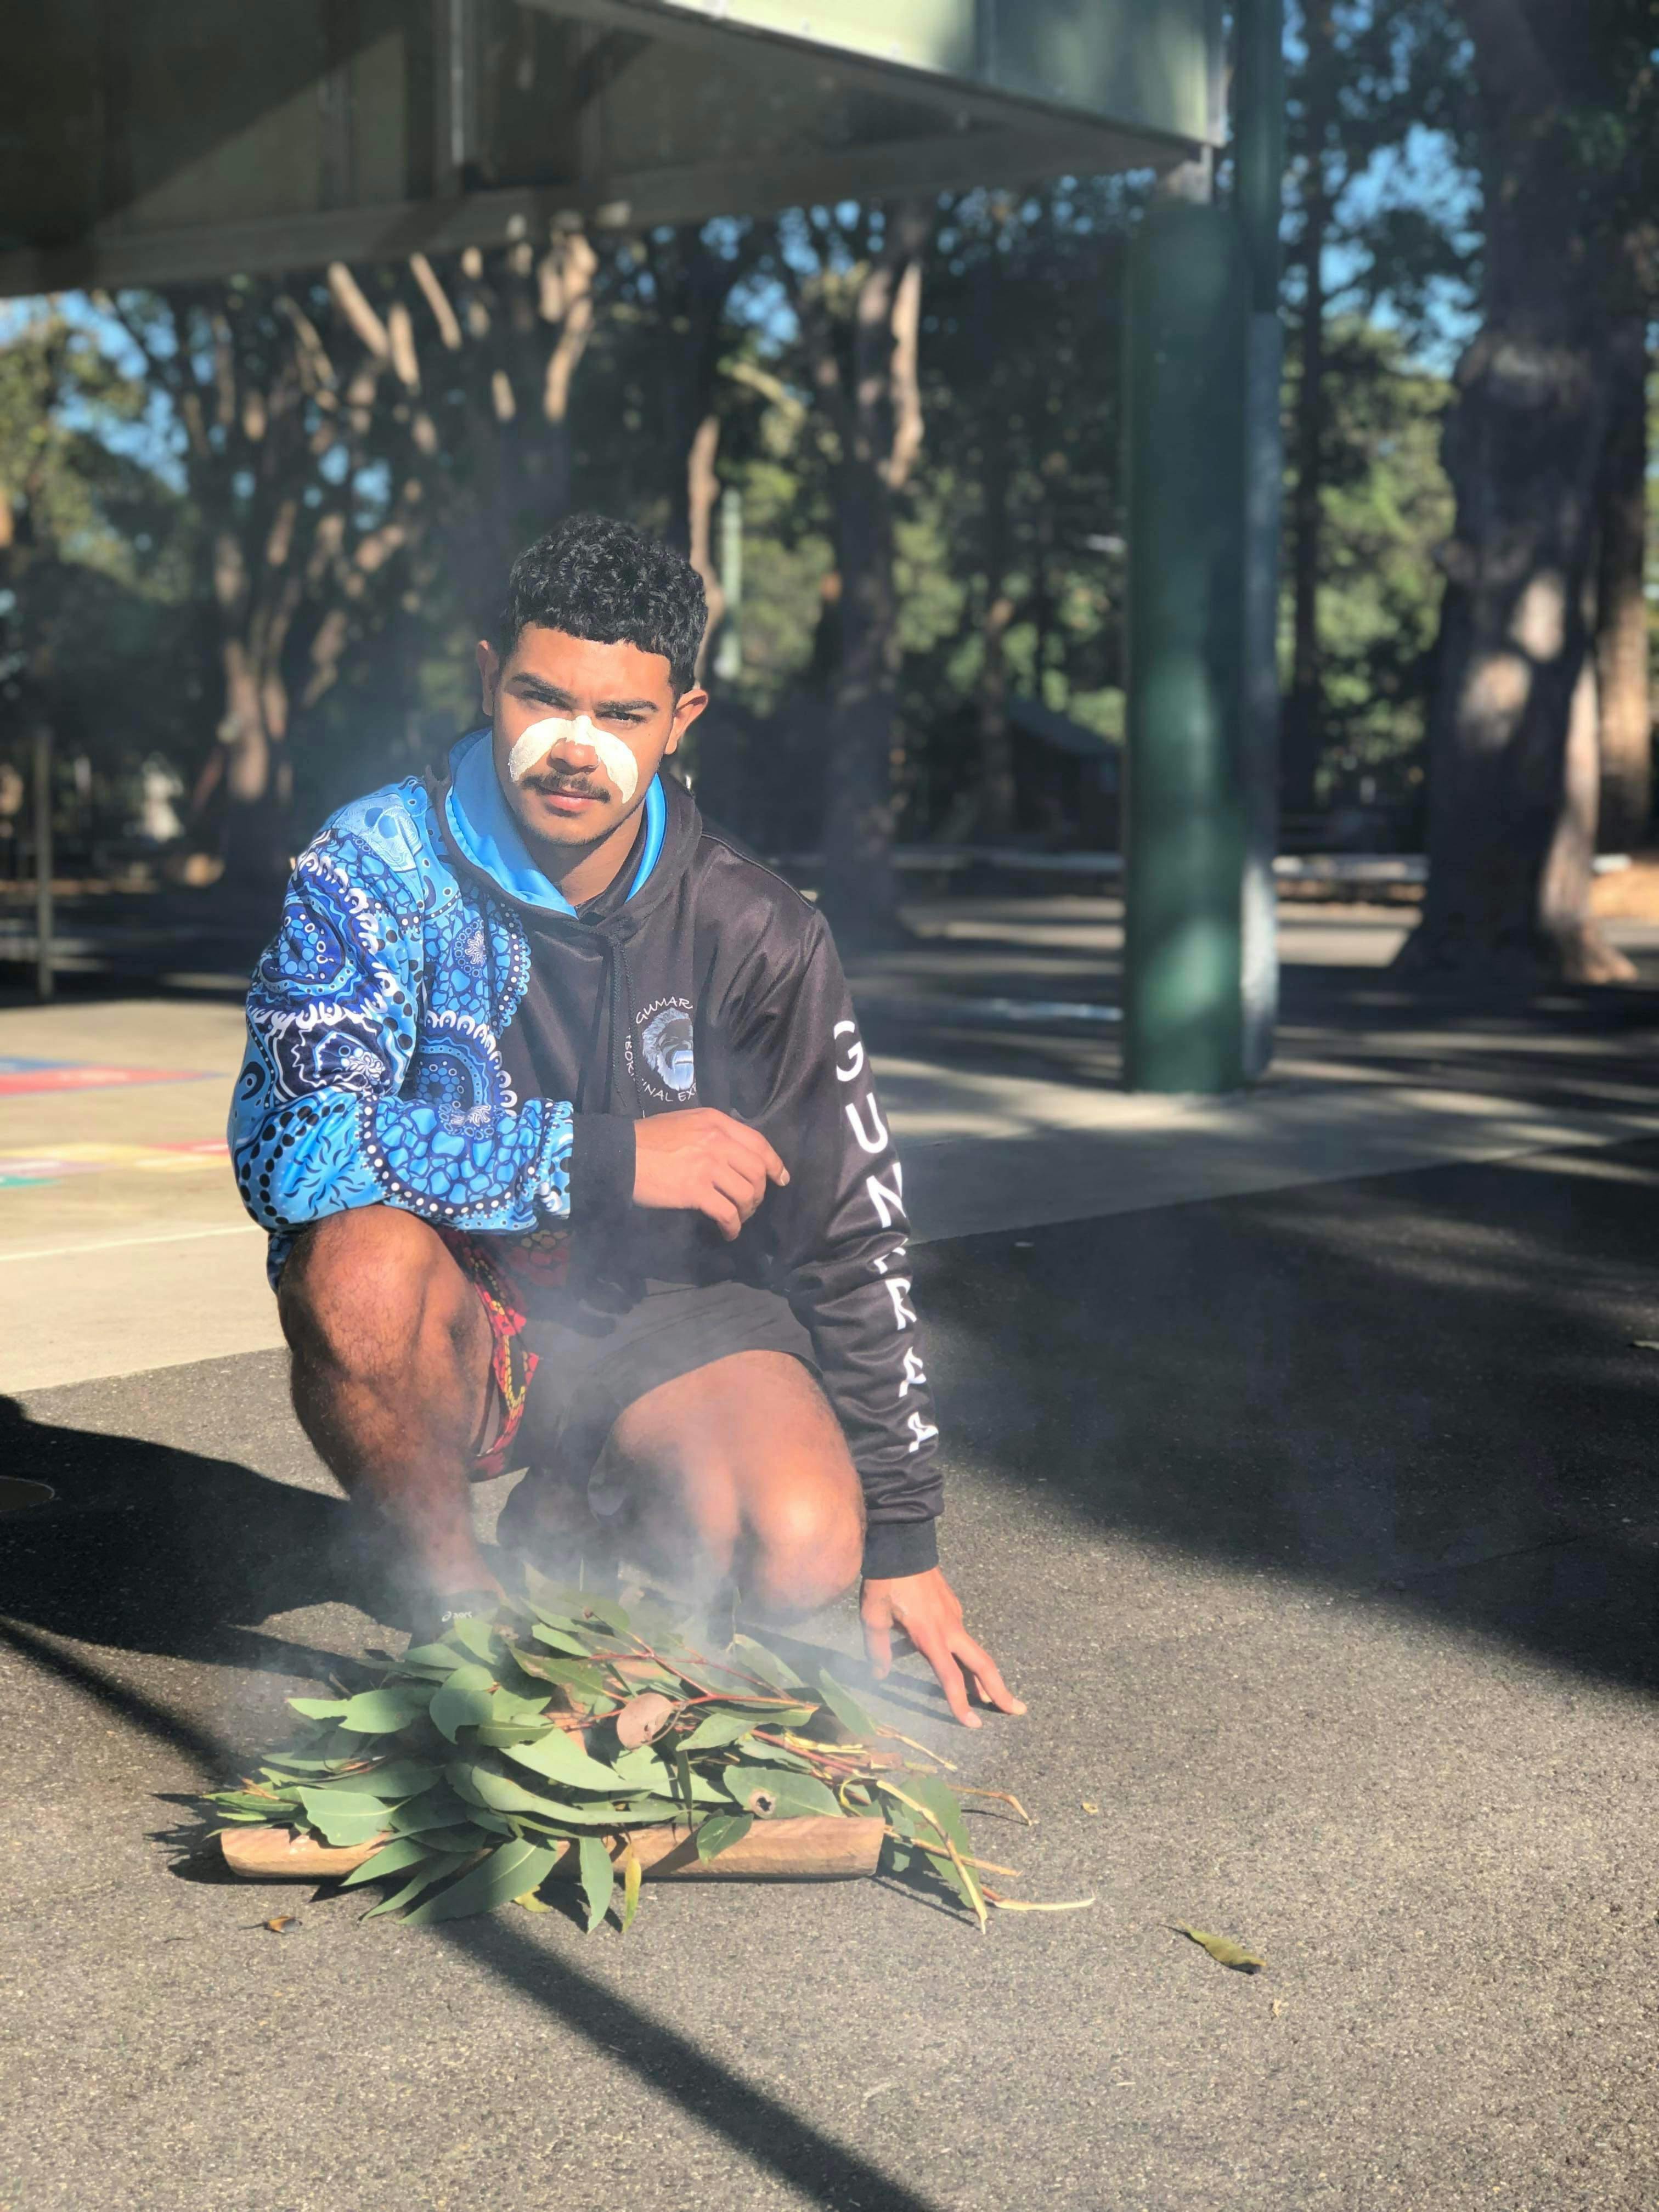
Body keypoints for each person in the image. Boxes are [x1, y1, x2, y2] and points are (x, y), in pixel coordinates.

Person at [230, 513, 1021, 1729]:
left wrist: (906, 1535)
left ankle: (581, 1517)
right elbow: (292, 1152)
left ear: (683, 721)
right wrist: (599, 1154)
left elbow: (851, 1234)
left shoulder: (759, 929)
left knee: (803, 1547)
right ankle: (457, 1612)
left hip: (663, 1309)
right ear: (488, 677)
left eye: (623, 717)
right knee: (354, 1268)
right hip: (466, 1291)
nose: (572, 748)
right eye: (543, 699)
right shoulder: (371, 867)